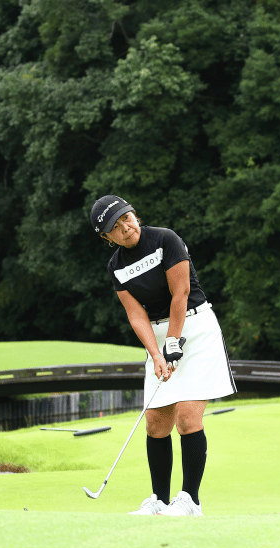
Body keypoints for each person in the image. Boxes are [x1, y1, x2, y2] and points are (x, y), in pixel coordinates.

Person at [89, 194, 237, 516]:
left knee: (186, 417)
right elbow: (136, 315)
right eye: (115, 227)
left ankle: (190, 501)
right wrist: (156, 353)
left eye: (127, 218)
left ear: (135, 215)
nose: (125, 227)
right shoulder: (116, 266)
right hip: (157, 337)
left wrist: (173, 340)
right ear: (106, 237)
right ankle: (159, 500)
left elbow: (180, 292)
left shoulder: (165, 240)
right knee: (156, 423)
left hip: (194, 329)